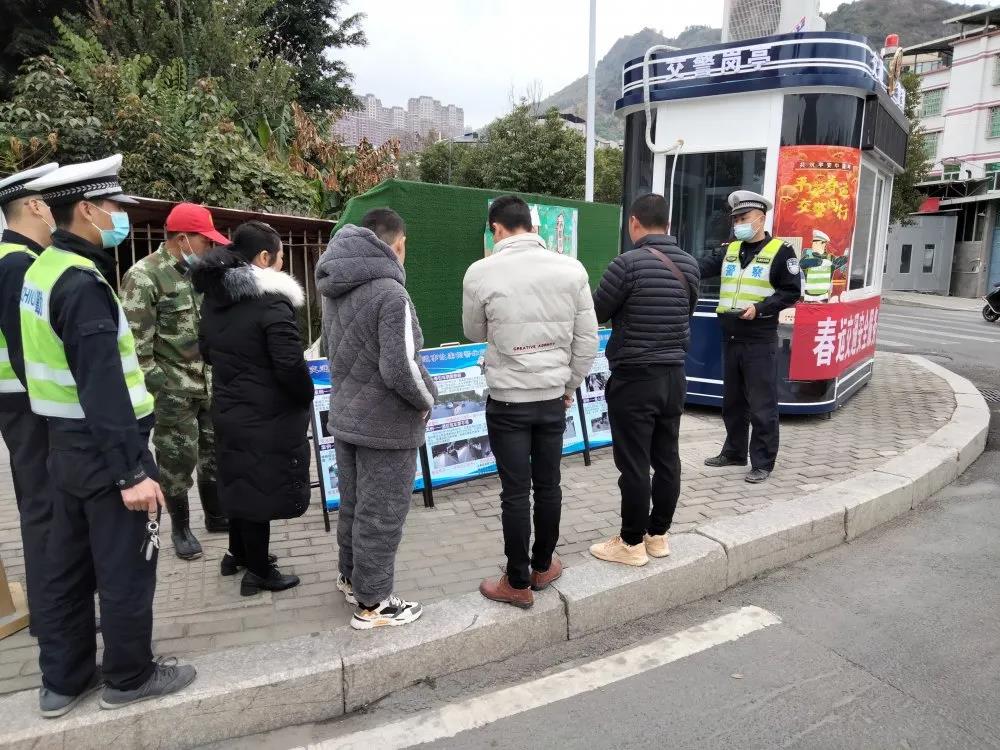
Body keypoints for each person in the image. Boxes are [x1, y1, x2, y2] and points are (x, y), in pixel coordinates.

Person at [20, 155, 195, 716]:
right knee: (125, 568)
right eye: (114, 206)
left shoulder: (40, 271)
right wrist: (132, 471)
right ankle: (129, 676)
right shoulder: (81, 282)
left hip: (62, 447)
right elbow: (102, 384)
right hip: (105, 451)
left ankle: (63, 680)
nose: (121, 216)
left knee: (67, 568)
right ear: (86, 209)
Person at [463, 195, 598, 608]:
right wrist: (569, 385)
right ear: (533, 226)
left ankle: (517, 581)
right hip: (552, 397)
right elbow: (587, 341)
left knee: (515, 492)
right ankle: (543, 566)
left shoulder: (481, 271)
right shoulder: (571, 269)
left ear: (496, 228)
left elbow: (473, 332)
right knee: (549, 484)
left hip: (507, 399)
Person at [316, 208, 437, 630]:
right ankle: (374, 602)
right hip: (387, 424)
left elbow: (330, 351)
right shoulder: (391, 294)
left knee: (354, 505)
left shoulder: (334, 289)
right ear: (398, 244)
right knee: (382, 513)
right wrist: (428, 399)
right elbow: (401, 367)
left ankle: (351, 578)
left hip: (346, 415)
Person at [192, 220, 312, 596]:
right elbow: (289, 365)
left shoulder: (216, 297)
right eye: (280, 256)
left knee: (239, 482)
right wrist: (304, 395)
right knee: (259, 487)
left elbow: (206, 351)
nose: (282, 263)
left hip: (228, 406)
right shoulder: (272, 302)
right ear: (263, 257)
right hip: (265, 413)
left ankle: (238, 554)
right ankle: (259, 572)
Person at [588, 193, 700, 567]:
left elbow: (597, 312)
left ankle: (631, 542)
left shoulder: (626, 264)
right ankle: (658, 535)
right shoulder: (690, 265)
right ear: (667, 223)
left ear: (634, 222)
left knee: (634, 463)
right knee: (667, 458)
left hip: (635, 377)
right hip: (674, 376)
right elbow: (686, 311)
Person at [121, 202, 229, 561]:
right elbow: (135, 346)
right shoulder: (144, 276)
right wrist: (160, 386)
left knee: (214, 452)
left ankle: (216, 515)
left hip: (209, 381)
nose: (210, 248)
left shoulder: (201, 274)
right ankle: (181, 529)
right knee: (176, 459)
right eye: (205, 241)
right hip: (173, 390)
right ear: (183, 239)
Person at [699, 190, 801, 483]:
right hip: (730, 336)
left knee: (762, 404)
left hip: (759, 338)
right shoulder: (730, 250)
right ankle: (734, 452)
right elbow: (701, 267)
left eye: (744, 218)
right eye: (735, 220)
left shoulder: (781, 251)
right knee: (732, 402)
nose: (738, 224)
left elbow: (791, 291)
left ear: (761, 218)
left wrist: (761, 308)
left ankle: (763, 462)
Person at [0, 163, 59, 633]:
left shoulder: (15, 258)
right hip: (27, 404)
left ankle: (56, 606)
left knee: (43, 504)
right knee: (43, 507)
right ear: (35, 206)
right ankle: (53, 613)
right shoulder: (18, 264)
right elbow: (26, 347)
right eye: (51, 204)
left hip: (22, 401)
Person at [800, 229, 834, 302]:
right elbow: (802, 264)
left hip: (824, 297)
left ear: (823, 244)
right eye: (813, 242)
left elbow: (831, 278)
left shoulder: (830, 258)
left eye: (815, 243)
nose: (812, 245)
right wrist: (820, 262)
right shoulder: (807, 256)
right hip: (808, 297)